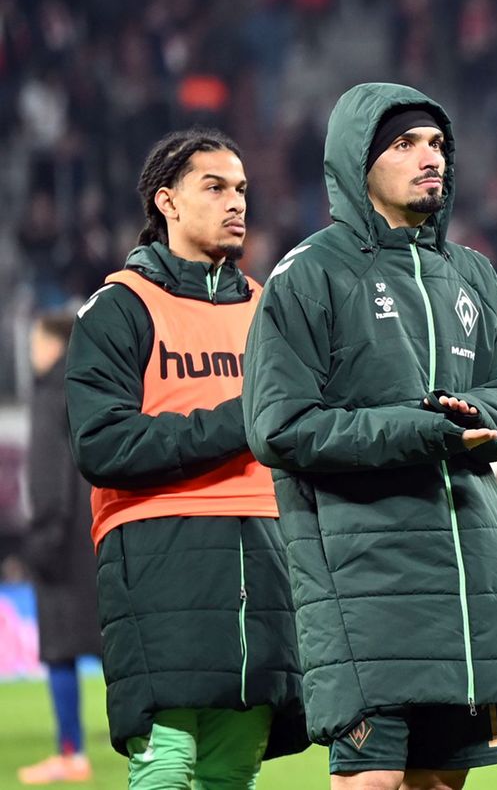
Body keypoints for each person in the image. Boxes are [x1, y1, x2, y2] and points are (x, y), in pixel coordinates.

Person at [243, 82, 497, 790]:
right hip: (364, 584)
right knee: (371, 782)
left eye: (437, 144)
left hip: (472, 584)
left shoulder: (471, 273)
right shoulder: (309, 274)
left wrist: (478, 417)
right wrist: (430, 428)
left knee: (440, 784)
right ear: (358, 163)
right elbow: (280, 427)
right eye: (405, 144)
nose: (429, 157)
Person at [64, 127, 308, 788]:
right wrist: (240, 421)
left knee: (233, 769)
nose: (236, 203)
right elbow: (102, 444)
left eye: (242, 189)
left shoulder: (272, 311)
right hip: (157, 550)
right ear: (167, 202)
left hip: (266, 549)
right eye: (215, 187)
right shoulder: (118, 310)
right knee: (167, 762)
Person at [17, 311, 103, 786]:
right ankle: (152, 741)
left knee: (60, 650)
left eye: (35, 341)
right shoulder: (90, 387)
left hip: (61, 543)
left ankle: (71, 752)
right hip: (98, 535)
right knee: (115, 648)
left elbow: (47, 477)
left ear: (52, 344)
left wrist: (42, 540)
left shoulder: (49, 392)